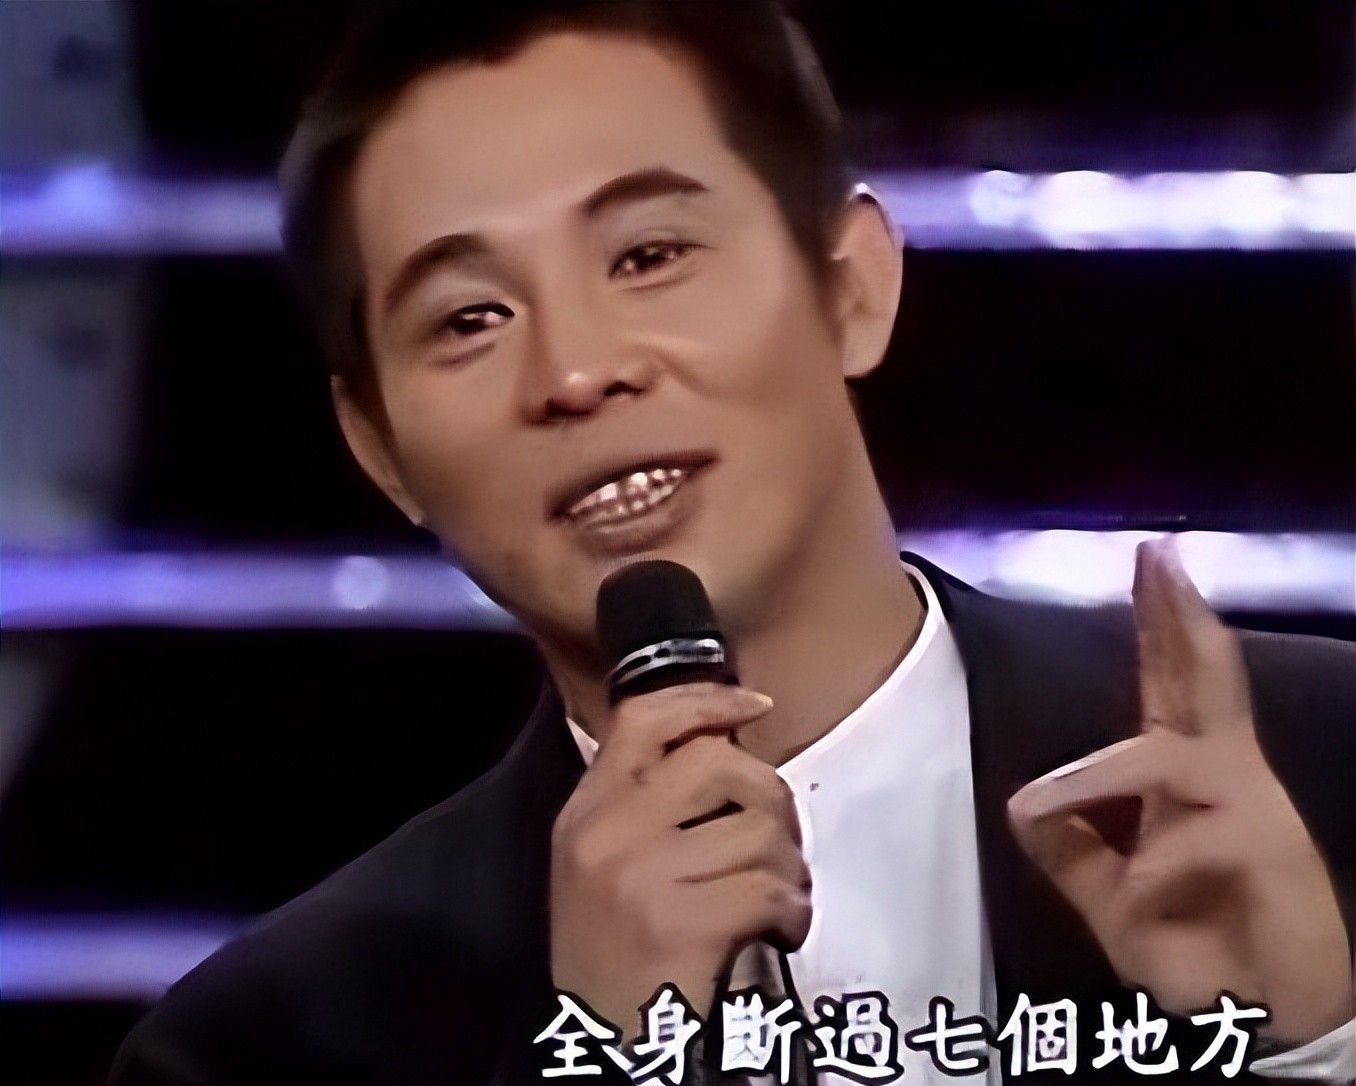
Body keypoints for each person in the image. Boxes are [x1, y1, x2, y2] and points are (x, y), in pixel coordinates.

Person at [111, 2, 1354, 1083]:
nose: (577, 372)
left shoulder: (1322, 772)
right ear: (380, 448)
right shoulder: (263, 1048)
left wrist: (1316, 1051)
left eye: (649, 255)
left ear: (851, 285)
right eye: (470, 318)